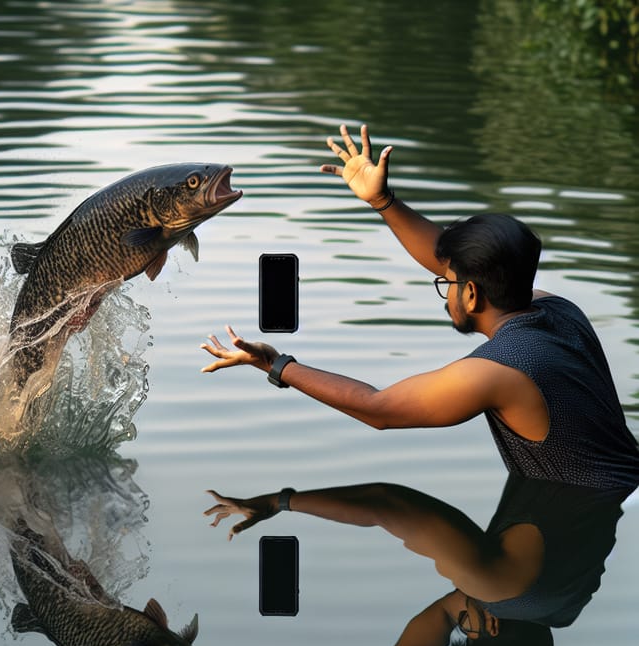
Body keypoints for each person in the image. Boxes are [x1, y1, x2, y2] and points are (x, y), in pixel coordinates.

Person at [200, 123, 639, 491]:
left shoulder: (495, 372)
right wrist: (382, 201)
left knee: (402, 517)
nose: (442, 285)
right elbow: (459, 263)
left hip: (577, 529)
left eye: (445, 282)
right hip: (621, 490)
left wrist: (276, 364)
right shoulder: (560, 310)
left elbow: (378, 409)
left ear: (470, 295)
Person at [203, 472, 626, 646]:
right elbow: (386, 504)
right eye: (468, 629)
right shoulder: (496, 585)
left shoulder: (563, 605)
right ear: (492, 627)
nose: (457, 617)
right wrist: (280, 503)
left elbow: (441, 616)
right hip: (559, 430)